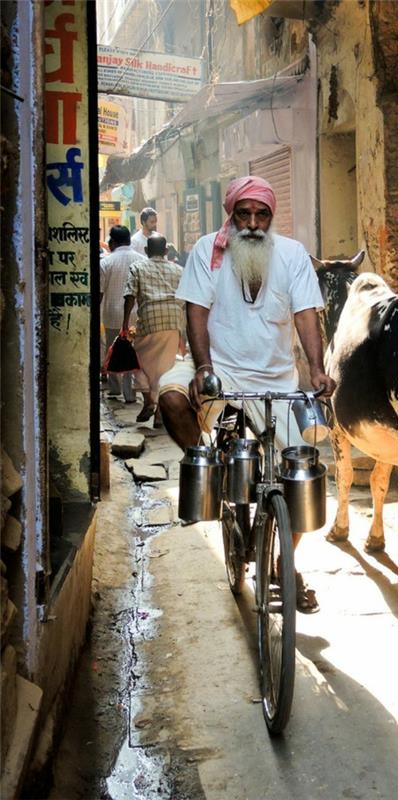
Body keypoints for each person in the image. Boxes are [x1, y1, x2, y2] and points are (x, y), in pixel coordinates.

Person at [158, 176, 336, 612]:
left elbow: (307, 315)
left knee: (303, 474)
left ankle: (282, 563)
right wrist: (202, 367)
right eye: (244, 214)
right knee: (170, 397)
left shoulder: (292, 256)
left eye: (262, 215)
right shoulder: (207, 252)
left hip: (276, 384)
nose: (253, 224)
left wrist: (316, 369)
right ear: (231, 216)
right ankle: (209, 469)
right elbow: (195, 312)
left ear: (271, 218)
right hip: (220, 375)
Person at [122, 234, 185, 426]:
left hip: (149, 319)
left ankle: (150, 400)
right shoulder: (179, 270)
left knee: (139, 362)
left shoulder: (138, 267)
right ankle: (159, 412)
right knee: (166, 367)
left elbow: (130, 296)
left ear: (146, 251)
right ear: (166, 251)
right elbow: (188, 299)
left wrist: (125, 324)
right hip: (174, 321)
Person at [100, 225, 145, 402]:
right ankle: (130, 393)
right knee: (132, 352)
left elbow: (100, 292)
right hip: (135, 314)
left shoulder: (106, 262)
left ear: (114, 241)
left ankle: (115, 388)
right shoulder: (141, 260)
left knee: (112, 351)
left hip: (112, 313)